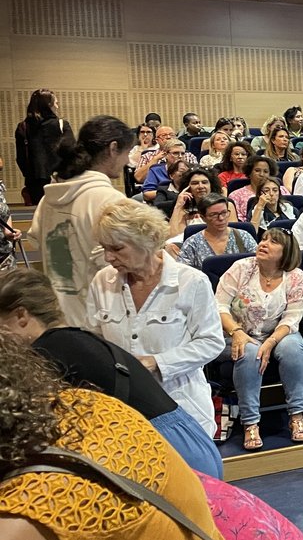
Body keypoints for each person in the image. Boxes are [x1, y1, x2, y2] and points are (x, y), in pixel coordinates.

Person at [0, 269, 223, 478]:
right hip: (184, 441)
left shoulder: (48, 352)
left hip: (169, 450)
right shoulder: (73, 339)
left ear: (21, 315)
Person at [0, 334, 225, 540]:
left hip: (172, 427)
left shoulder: (25, 512)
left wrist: (156, 361)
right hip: (152, 435)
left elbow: (211, 342)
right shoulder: (84, 401)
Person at [86, 199, 224, 437]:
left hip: (182, 410)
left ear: (147, 242)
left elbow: (211, 343)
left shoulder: (191, 281)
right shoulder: (101, 281)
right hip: (123, 415)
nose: (108, 257)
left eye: (117, 249)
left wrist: (156, 363)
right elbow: (94, 341)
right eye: (104, 248)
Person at [30, 115, 131, 327]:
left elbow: (39, 246)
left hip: (58, 317)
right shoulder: (109, 200)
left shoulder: (48, 199)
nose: (127, 161)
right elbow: (121, 268)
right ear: (113, 148)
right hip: (98, 321)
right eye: (127, 153)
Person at [214, 228, 303, 450]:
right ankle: (251, 422)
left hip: (276, 334)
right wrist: (237, 332)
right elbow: (218, 306)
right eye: (263, 239)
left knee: (293, 349)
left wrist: (270, 342)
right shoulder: (242, 268)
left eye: (273, 242)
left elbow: (293, 317)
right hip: (234, 333)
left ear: (286, 251)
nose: (263, 243)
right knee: (248, 351)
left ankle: (297, 415)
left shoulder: (295, 276)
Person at [16, 88, 74, 204]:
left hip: (34, 182)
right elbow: (72, 152)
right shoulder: (61, 125)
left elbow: (21, 158)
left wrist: (29, 174)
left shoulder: (23, 127)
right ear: (49, 105)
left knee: (40, 214)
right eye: (56, 103)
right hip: (61, 180)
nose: (57, 107)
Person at [177, 194, 257, 269]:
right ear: (203, 217)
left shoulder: (244, 236)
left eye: (224, 213)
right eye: (214, 215)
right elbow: (182, 272)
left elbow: (259, 264)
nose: (221, 218)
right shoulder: (192, 243)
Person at [228, 155, 282, 221]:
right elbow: (238, 224)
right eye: (257, 170)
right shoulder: (235, 195)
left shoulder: (282, 190)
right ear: (249, 172)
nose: (262, 174)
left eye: (266, 171)